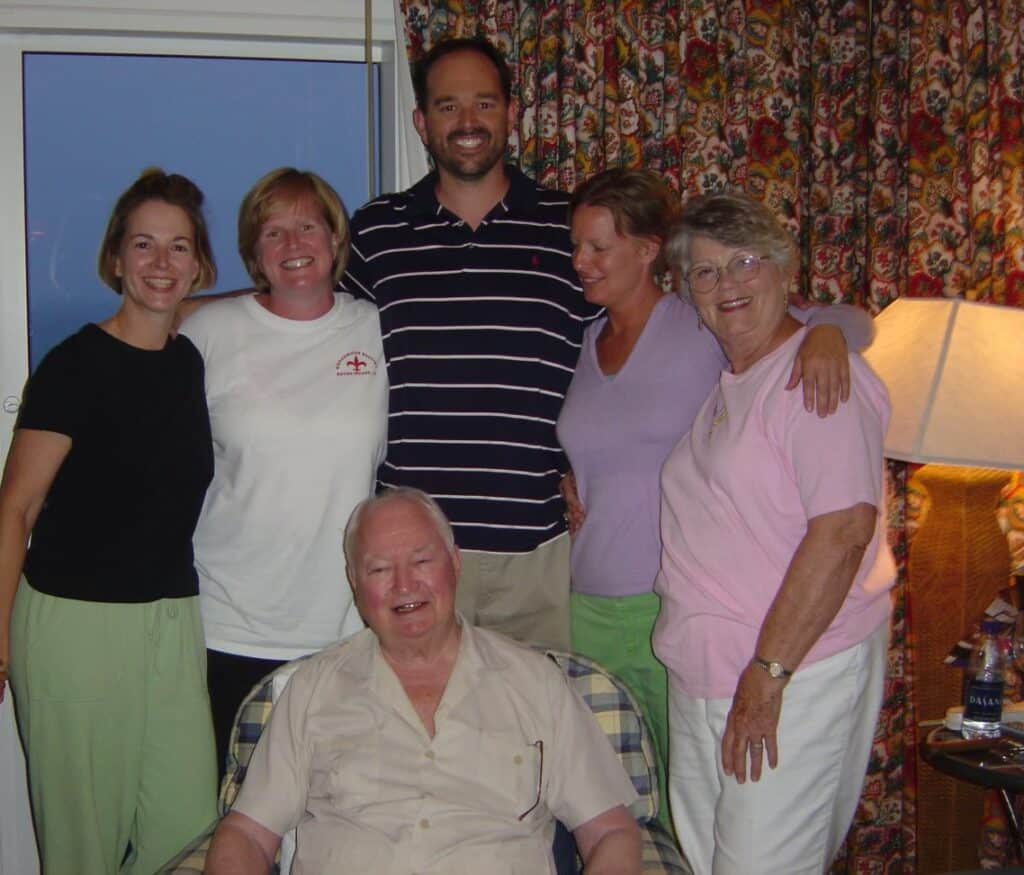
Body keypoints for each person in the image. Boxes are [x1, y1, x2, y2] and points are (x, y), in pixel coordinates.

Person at [555, 168, 875, 829]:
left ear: (649, 250)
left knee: (690, 807)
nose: (579, 262)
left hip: (668, 604)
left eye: (596, 247)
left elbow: (831, 320)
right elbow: (607, 443)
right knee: (609, 805)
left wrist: (828, 333)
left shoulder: (699, 321)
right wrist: (572, 475)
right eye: (576, 247)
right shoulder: (586, 342)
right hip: (587, 603)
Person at [205, 488, 642, 875]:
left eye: (421, 561)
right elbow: (245, 835)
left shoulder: (537, 683)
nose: (403, 585)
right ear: (354, 584)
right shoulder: (311, 690)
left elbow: (612, 835)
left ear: (454, 565)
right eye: (379, 570)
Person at [653, 191, 895, 874]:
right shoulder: (734, 380)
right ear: (687, 292)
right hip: (706, 673)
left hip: (789, 674)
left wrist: (769, 673)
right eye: (704, 271)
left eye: (745, 262)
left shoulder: (818, 378)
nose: (726, 284)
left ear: (786, 270)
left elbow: (845, 530)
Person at [339, 37, 592, 651]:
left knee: (538, 737)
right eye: (448, 106)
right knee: (418, 738)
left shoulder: (573, 226)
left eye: (484, 103)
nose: (468, 122)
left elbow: (653, 320)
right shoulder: (377, 232)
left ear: (512, 112)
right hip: (414, 559)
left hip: (538, 555)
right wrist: (175, 309)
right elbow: (295, 314)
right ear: (423, 123)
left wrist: (825, 328)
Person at [0, 168, 219, 874]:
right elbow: (15, 508)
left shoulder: (188, 361)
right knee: (84, 846)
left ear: (199, 264)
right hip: (75, 625)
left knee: (187, 832)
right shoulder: (74, 365)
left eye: (179, 247)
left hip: (172, 623)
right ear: (116, 258)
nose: (162, 264)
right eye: (144, 245)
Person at [178, 168, 387, 777]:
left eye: (307, 227)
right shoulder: (209, 332)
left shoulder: (376, 330)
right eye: (273, 233)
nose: (293, 245)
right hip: (227, 623)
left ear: (334, 239)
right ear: (253, 253)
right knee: (235, 817)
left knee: (334, 816)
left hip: (345, 626)